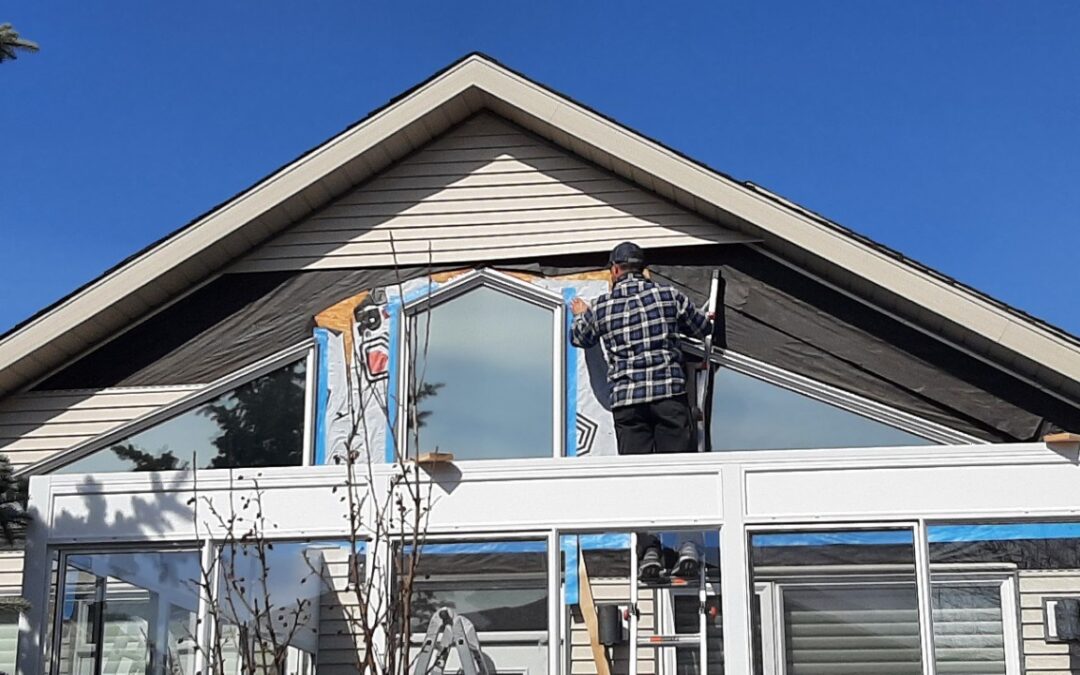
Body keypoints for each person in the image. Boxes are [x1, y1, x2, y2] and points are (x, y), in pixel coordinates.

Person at [570, 241, 712, 579]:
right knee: (679, 472)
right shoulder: (668, 297)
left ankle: (650, 550)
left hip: (628, 405)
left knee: (641, 479)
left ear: (615, 271)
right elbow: (702, 327)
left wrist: (581, 314)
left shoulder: (603, 307)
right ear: (643, 270)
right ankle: (688, 545)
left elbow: (580, 338)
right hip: (668, 397)